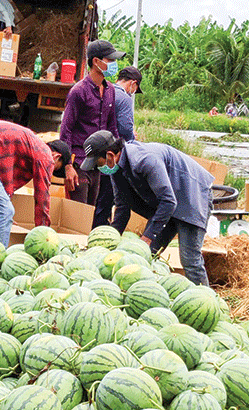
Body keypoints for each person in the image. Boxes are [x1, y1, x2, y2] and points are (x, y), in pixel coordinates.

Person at [80, 130, 214, 286]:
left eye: (98, 163)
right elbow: (122, 207)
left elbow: (168, 201)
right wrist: (111, 241)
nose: (98, 168)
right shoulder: (116, 171)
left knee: (190, 260)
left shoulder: (144, 160)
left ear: (110, 155)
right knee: (147, 255)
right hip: (168, 202)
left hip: (191, 196)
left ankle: (209, 301)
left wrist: (147, 237)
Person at [60, 39, 125, 207]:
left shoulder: (110, 90)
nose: (114, 64)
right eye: (110, 60)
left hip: (98, 164)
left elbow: (112, 128)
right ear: (96, 62)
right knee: (78, 214)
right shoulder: (79, 91)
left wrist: (119, 155)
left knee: (91, 212)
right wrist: (68, 166)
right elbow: (66, 130)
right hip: (79, 162)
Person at [94, 66, 142, 229]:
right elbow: (125, 128)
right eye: (135, 89)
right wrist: (132, 137)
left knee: (93, 195)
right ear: (133, 84)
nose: (133, 92)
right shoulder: (124, 98)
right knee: (108, 195)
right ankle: (100, 227)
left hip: (93, 149)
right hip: (111, 154)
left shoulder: (105, 90)